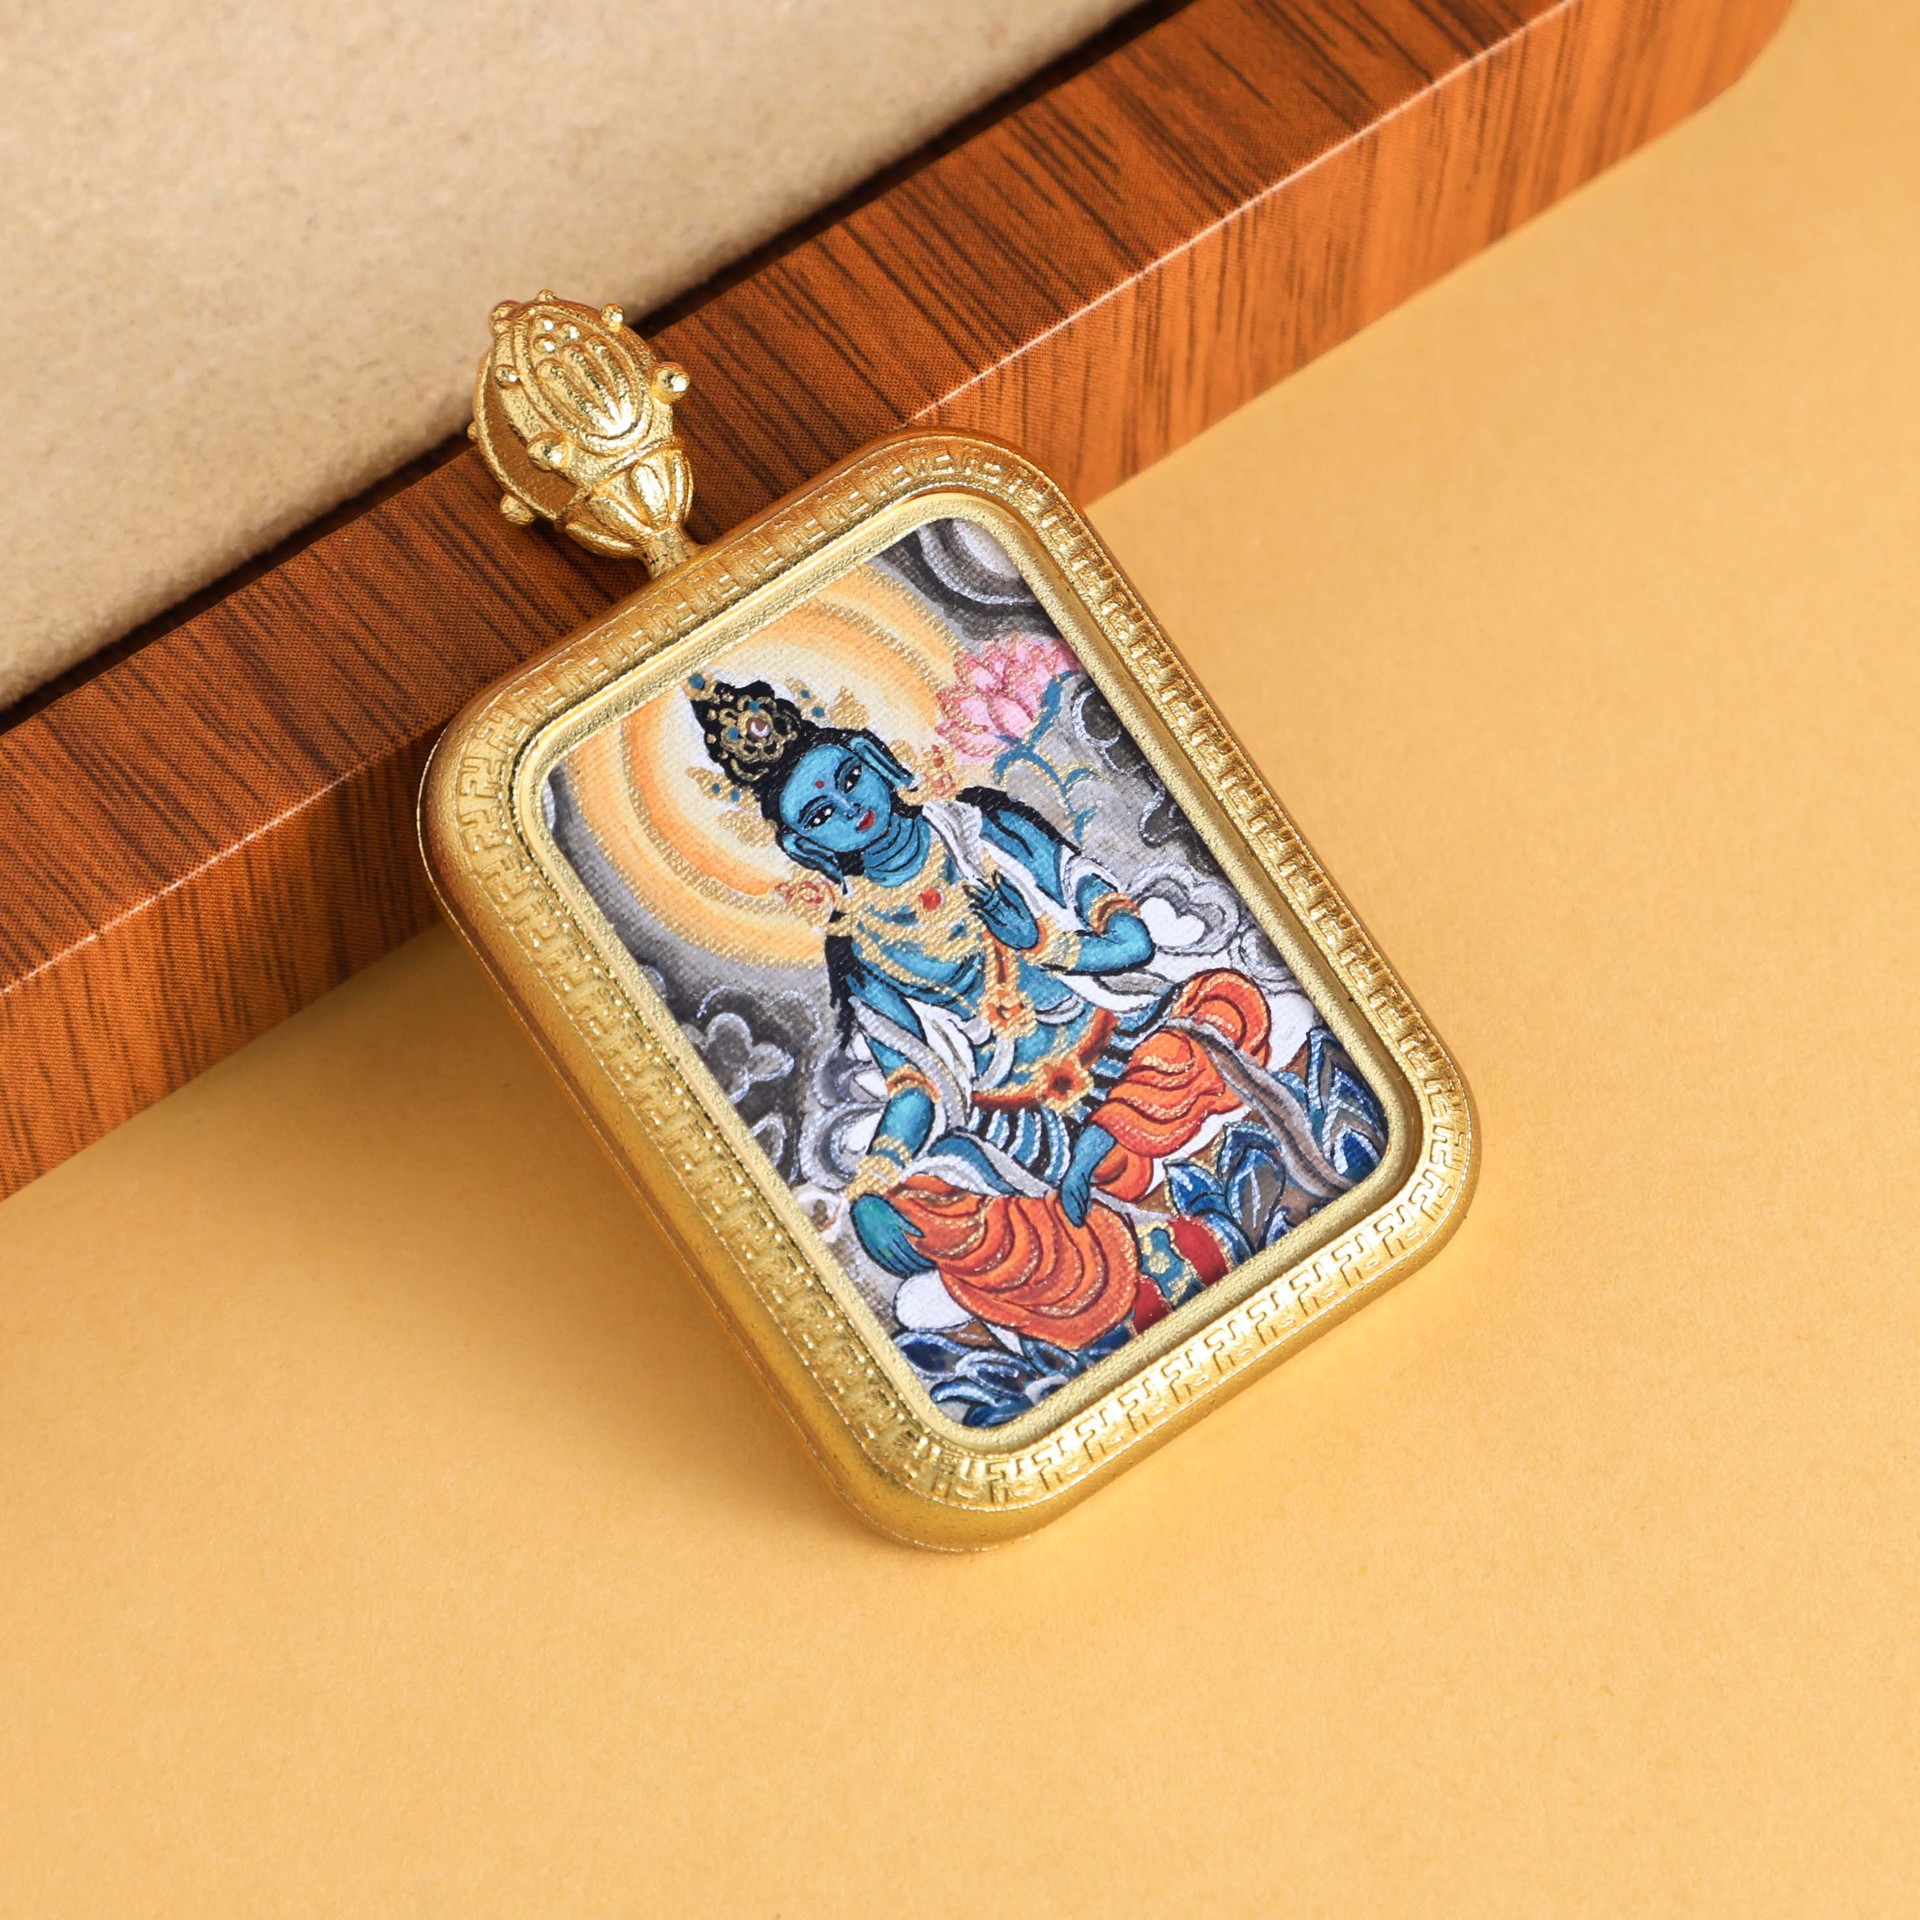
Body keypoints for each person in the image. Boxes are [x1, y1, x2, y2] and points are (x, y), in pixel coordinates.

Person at [690, 673, 1365, 1387]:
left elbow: (1131, 942)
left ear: (876, 758)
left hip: (1122, 1042)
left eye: (850, 777)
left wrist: (1045, 943)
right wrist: (872, 1186)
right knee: (916, 1209)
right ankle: (1103, 1241)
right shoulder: (858, 947)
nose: (851, 808)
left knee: (1224, 1003)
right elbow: (915, 1083)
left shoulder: (984, 830)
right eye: (822, 813)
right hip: (1014, 1121)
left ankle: (1108, 1166)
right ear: (805, 846)